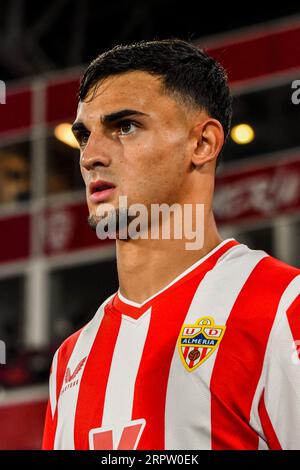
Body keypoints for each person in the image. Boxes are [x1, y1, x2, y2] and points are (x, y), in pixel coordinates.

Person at [42, 39, 300, 450]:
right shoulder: (70, 360)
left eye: (125, 126)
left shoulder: (284, 309)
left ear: (203, 144)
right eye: (84, 135)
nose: (90, 156)